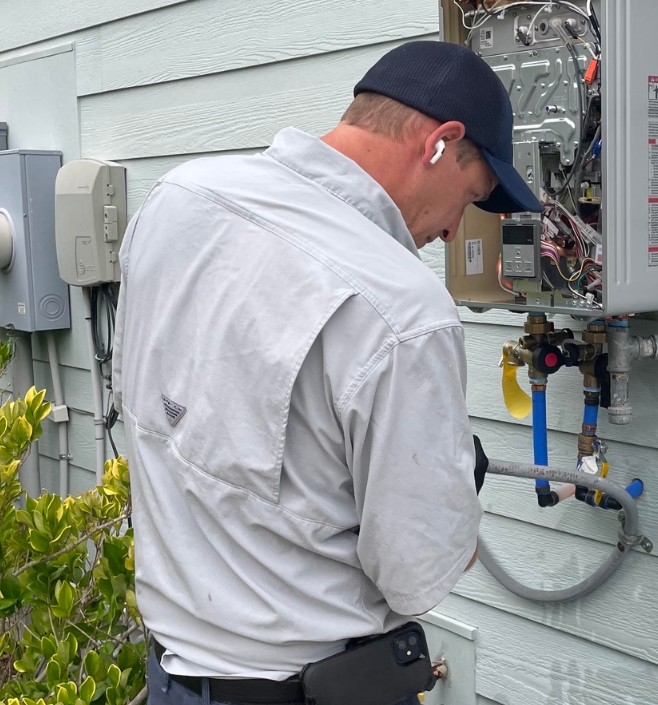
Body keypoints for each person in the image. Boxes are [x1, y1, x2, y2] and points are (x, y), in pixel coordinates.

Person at [112, 41, 543, 705]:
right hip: (306, 687)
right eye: (471, 197)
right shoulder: (401, 308)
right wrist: (453, 482)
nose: (456, 232)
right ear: (440, 144)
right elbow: (417, 574)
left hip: (173, 678)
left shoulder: (178, 199)